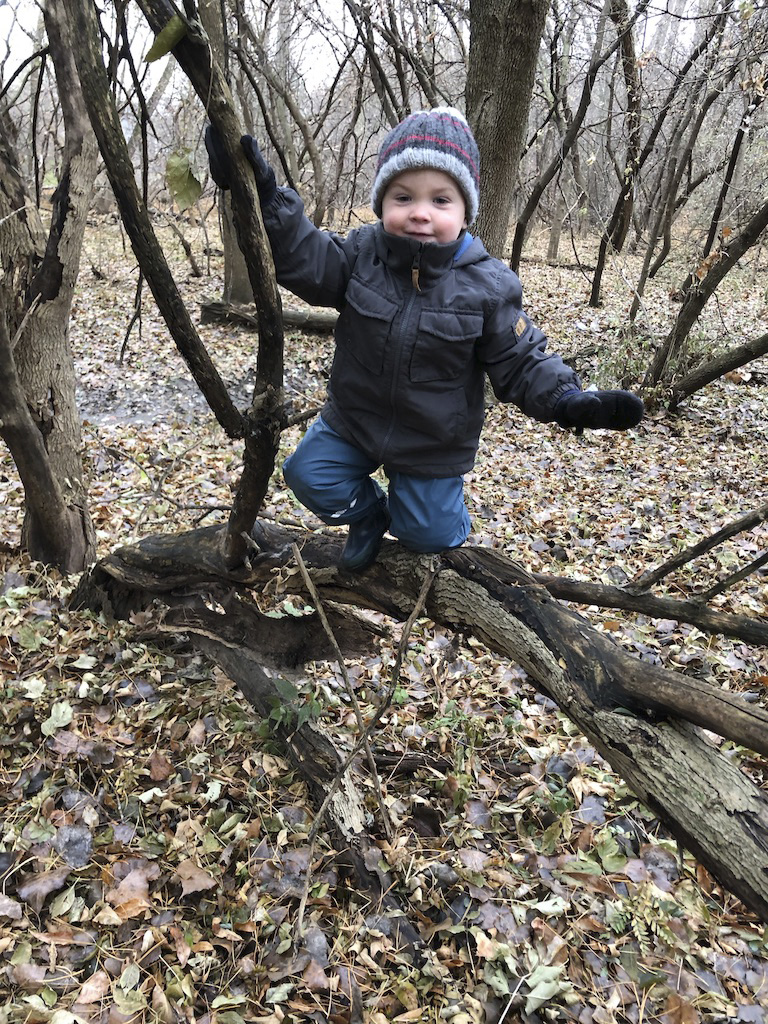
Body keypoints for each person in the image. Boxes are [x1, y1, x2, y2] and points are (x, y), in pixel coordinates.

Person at [205, 108, 643, 572]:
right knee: (307, 475)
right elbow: (305, 257)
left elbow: (521, 358)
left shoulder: (487, 286)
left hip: (430, 443)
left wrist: (567, 398)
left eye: (440, 200)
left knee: (426, 535)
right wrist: (265, 199)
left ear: (465, 211)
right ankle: (369, 516)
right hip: (353, 421)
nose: (419, 212)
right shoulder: (361, 255)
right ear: (382, 203)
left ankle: (430, 515)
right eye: (403, 196)